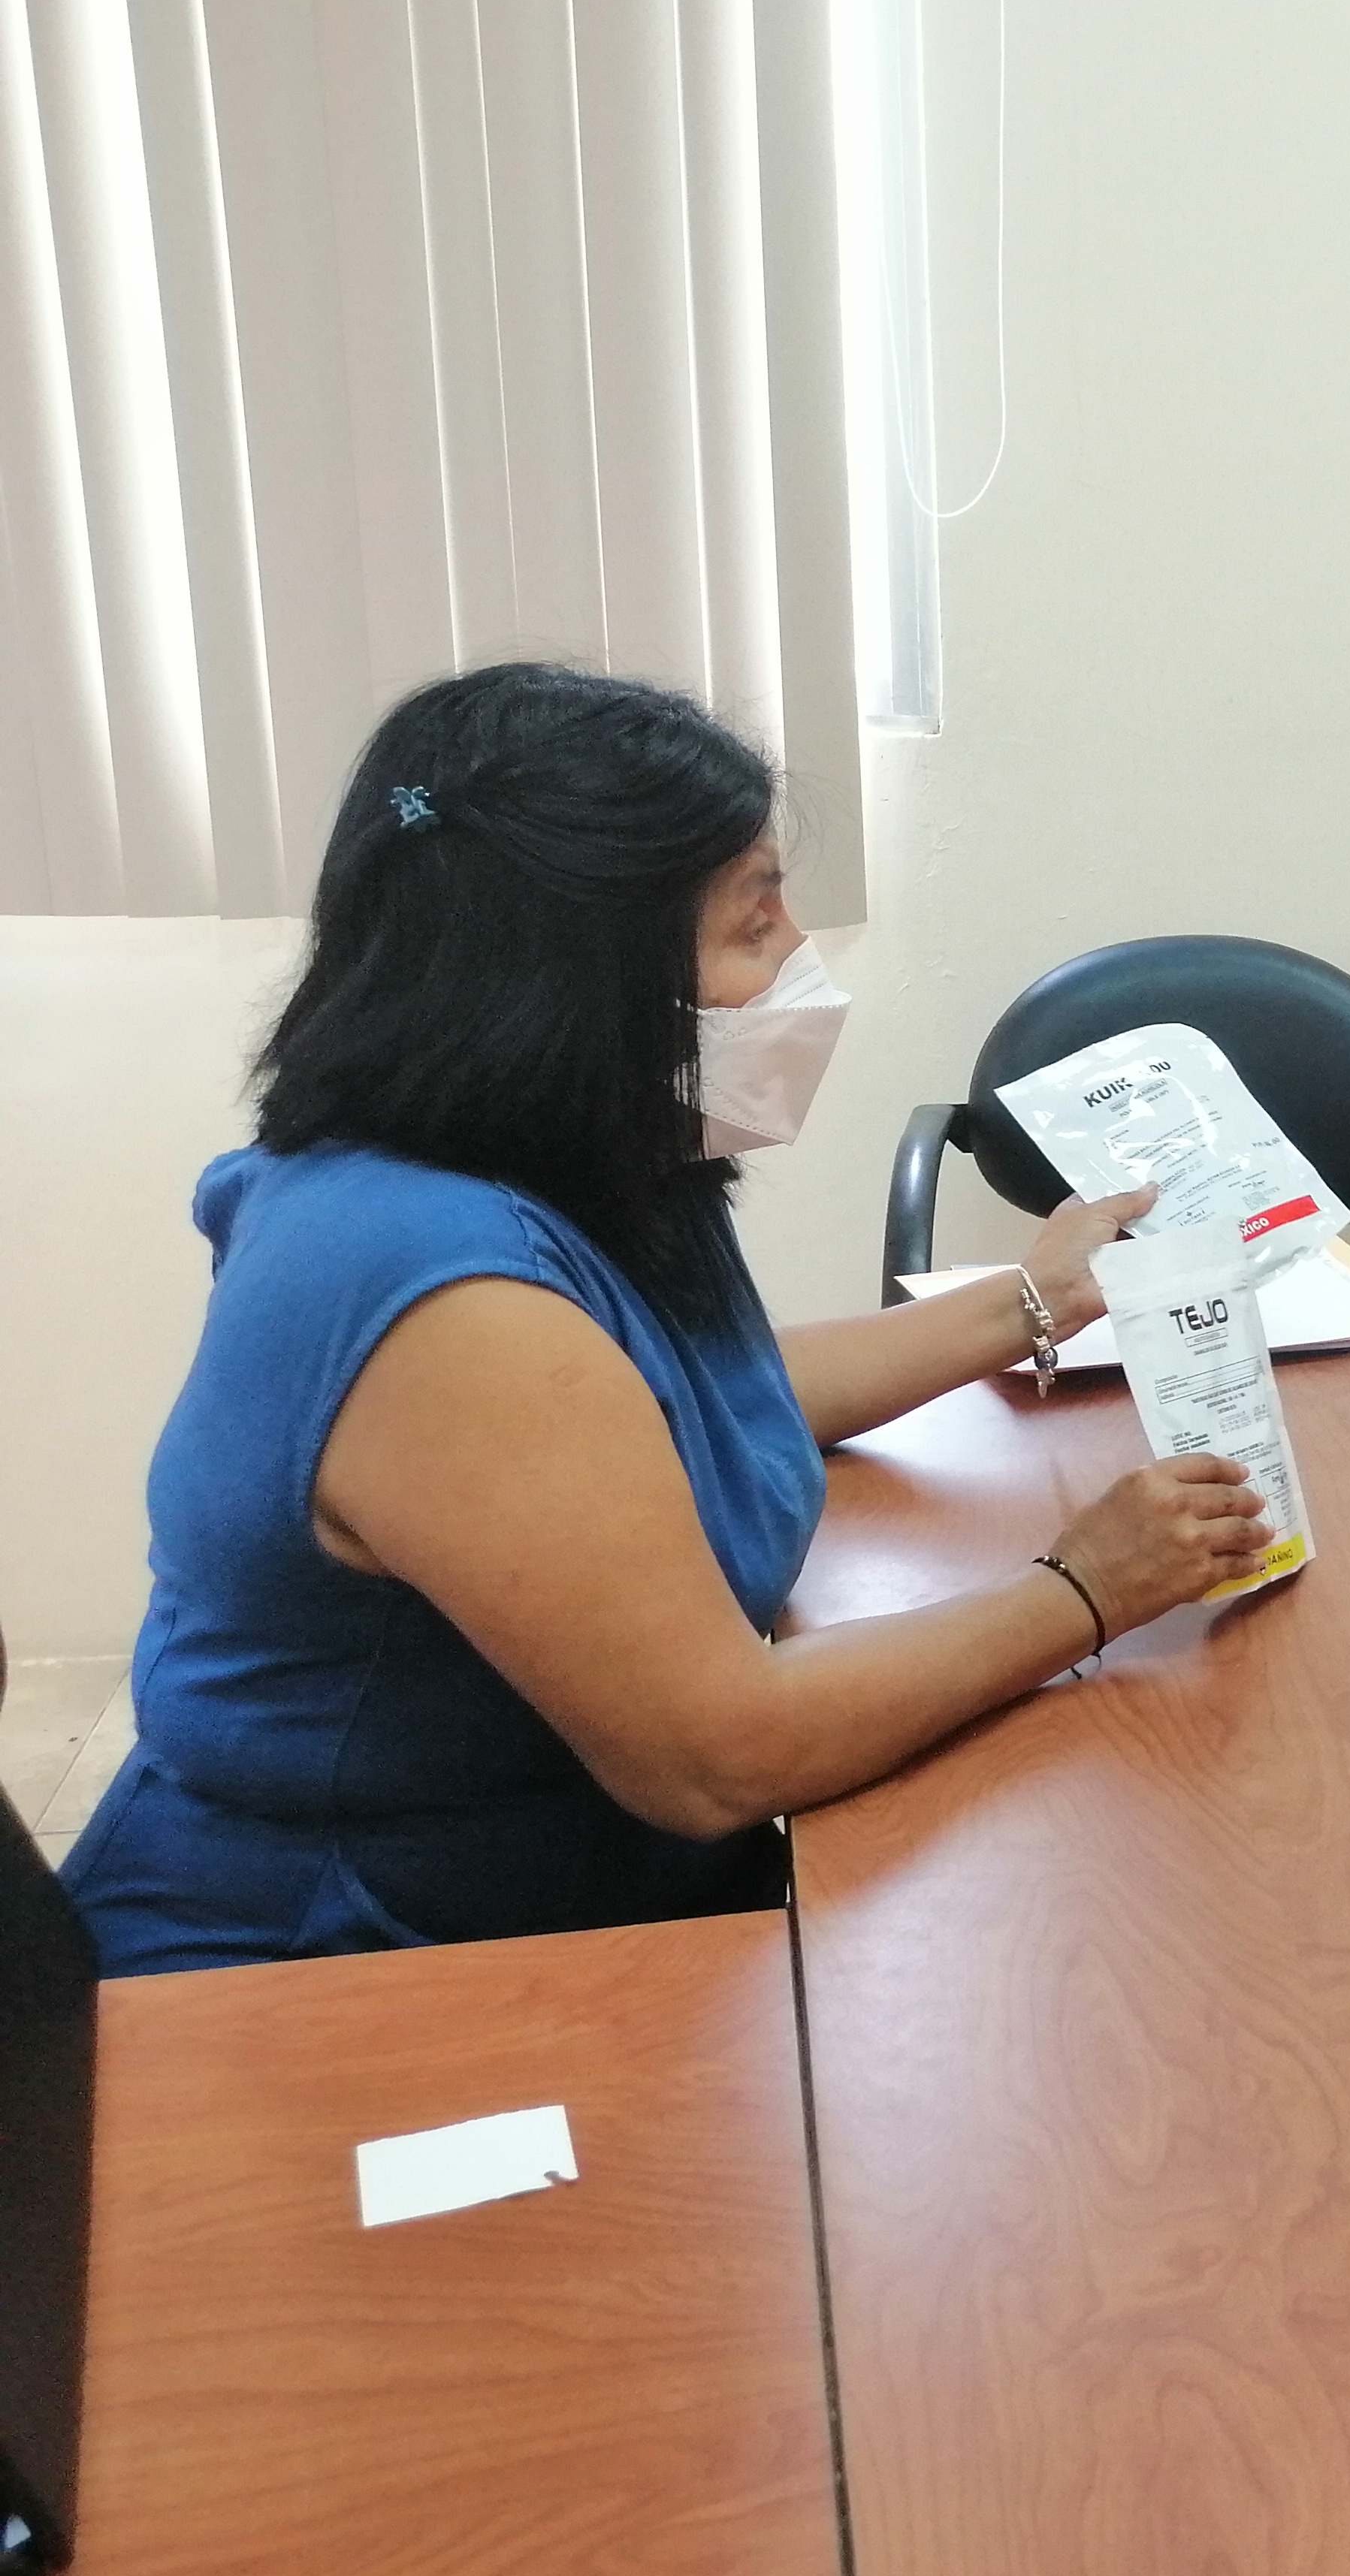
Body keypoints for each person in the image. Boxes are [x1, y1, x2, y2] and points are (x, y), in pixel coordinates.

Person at [63, 664, 1270, 1973]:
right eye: (755, 921)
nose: (796, 958)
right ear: (580, 974)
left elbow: (693, 1401)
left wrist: (1034, 1300)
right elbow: (717, 1755)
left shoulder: (561, 1162)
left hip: (557, 1890)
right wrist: (1084, 1591)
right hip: (344, 1964)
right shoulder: (439, 1291)